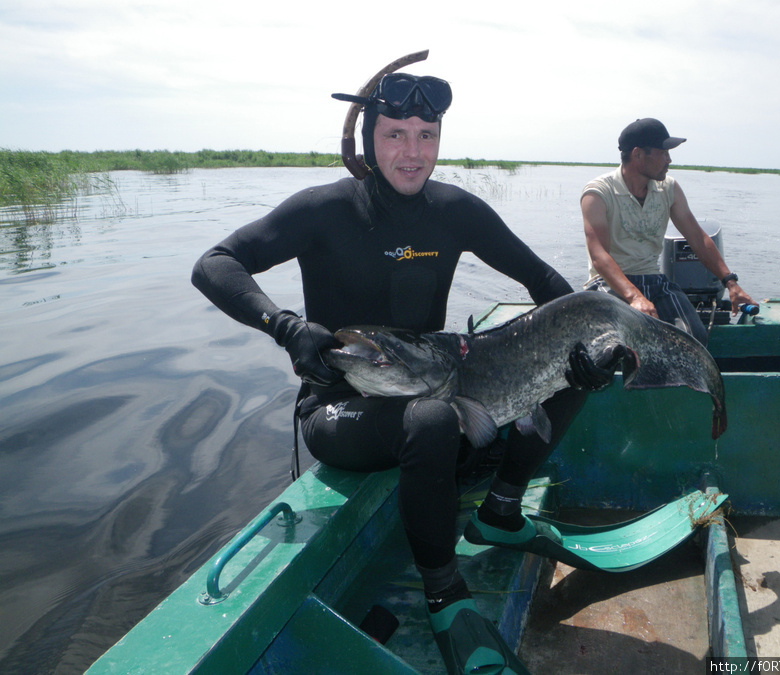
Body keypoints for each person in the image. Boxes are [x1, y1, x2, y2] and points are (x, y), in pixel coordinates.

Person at [191, 69, 612, 675]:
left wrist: (581, 345)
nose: (412, 153)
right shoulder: (326, 209)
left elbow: (548, 285)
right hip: (342, 412)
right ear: (369, 139)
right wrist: (284, 326)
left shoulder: (455, 211)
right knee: (432, 421)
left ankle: (500, 511)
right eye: (395, 135)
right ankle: (444, 594)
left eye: (426, 134)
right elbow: (215, 263)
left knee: (568, 372)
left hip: (444, 391)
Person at [580, 117, 755, 345]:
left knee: (693, 338)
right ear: (638, 154)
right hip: (608, 283)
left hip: (654, 281)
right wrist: (635, 297)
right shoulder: (598, 193)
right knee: (616, 344)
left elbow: (698, 238)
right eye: (663, 152)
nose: (669, 159)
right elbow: (599, 256)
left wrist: (731, 283)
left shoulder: (668, 188)